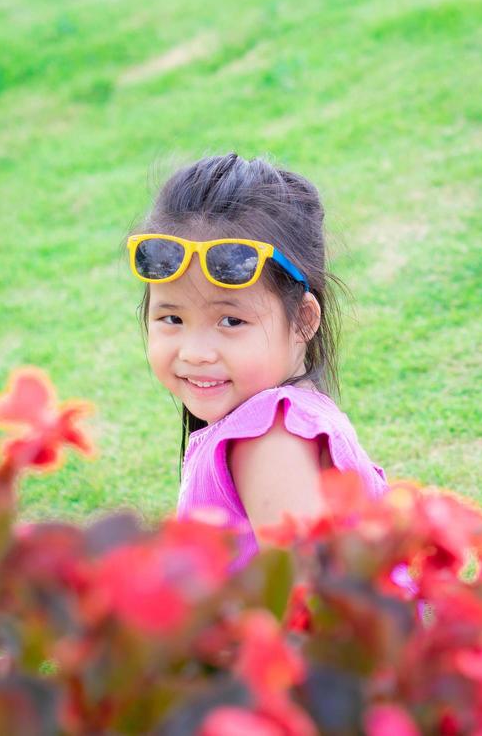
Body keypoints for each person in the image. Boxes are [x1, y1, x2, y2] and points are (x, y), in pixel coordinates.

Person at [126, 153, 387, 566]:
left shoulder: (269, 438)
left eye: (231, 320)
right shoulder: (281, 414)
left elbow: (305, 603)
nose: (195, 352)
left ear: (303, 320)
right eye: (172, 317)